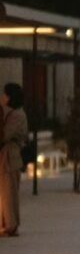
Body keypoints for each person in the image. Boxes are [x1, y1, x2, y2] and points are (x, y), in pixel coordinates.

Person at [0, 82, 28, 237]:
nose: (2, 97)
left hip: (11, 157)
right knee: (6, 191)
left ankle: (10, 225)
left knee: (9, 192)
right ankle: (8, 223)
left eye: (4, 94)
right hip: (8, 157)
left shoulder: (17, 114)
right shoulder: (14, 113)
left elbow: (5, 135)